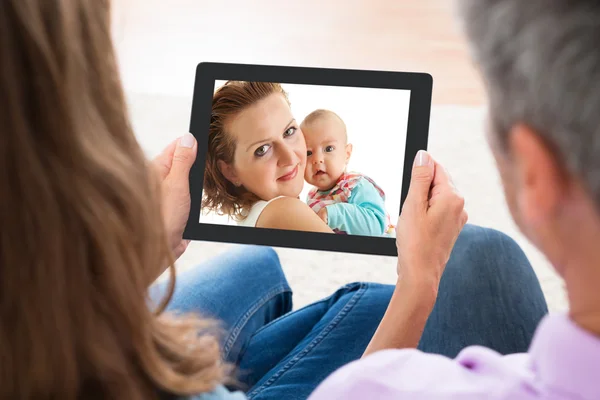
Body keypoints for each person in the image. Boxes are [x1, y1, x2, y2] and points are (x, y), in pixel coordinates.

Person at [0, 1, 549, 400]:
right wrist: (420, 285)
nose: (293, 156)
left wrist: (131, 259)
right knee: (457, 271)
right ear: (227, 171)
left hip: (81, 327)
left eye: (292, 132)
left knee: (254, 262)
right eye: (264, 149)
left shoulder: (33, 286)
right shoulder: (289, 210)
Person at [307, 0, 600, 399]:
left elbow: (372, 220)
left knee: (465, 252)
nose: (317, 160)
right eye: (308, 153)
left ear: (537, 177)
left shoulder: (365, 387)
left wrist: (418, 282)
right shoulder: (309, 195)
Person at [301, 109, 395, 236]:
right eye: (308, 153)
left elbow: (377, 225)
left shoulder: (356, 185)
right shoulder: (312, 197)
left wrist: (335, 214)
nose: (317, 159)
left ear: (347, 154)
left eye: (328, 149)